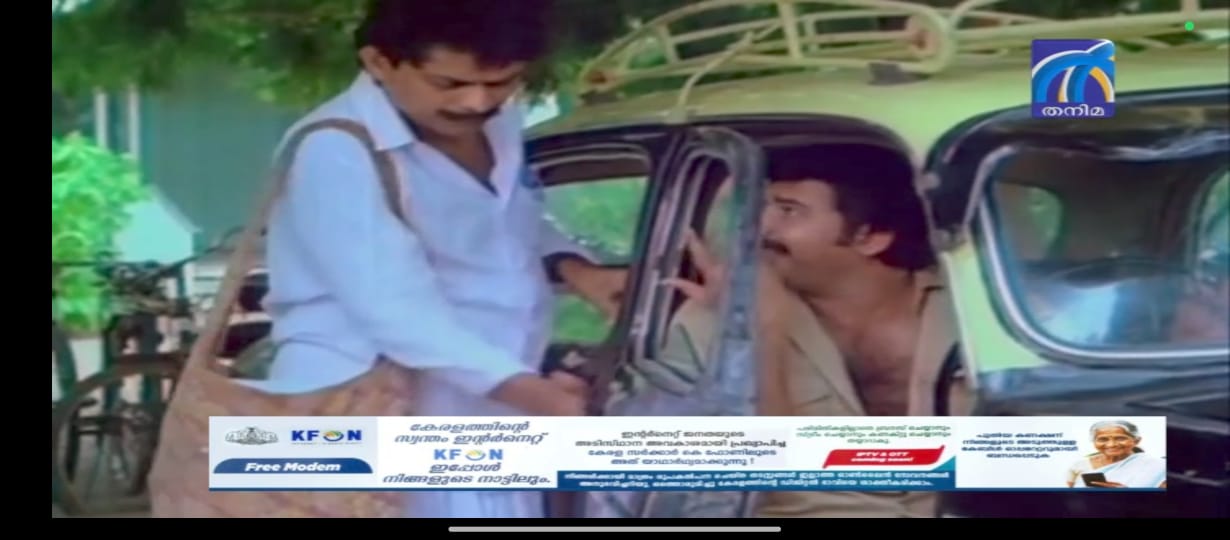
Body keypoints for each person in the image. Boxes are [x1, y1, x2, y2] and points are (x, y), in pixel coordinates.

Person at [150, 0, 625, 519]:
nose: (476, 101)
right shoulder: (335, 149)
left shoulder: (498, 126)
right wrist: (542, 397)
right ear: (379, 62)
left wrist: (575, 269)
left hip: (489, 409)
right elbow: (396, 312)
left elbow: (509, 227)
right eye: (449, 83)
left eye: (501, 82)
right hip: (362, 413)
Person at [615, 143, 969, 518]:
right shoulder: (713, 319)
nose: (762, 227)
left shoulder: (970, 310)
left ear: (870, 238)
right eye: (763, 207)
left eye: (789, 211)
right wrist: (761, 330)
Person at [1065, 420, 1167, 489]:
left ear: (1136, 441)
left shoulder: (1158, 466)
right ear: (1094, 442)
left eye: (1120, 438)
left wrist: (1129, 494)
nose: (1111, 445)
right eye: (1103, 439)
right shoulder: (1079, 465)